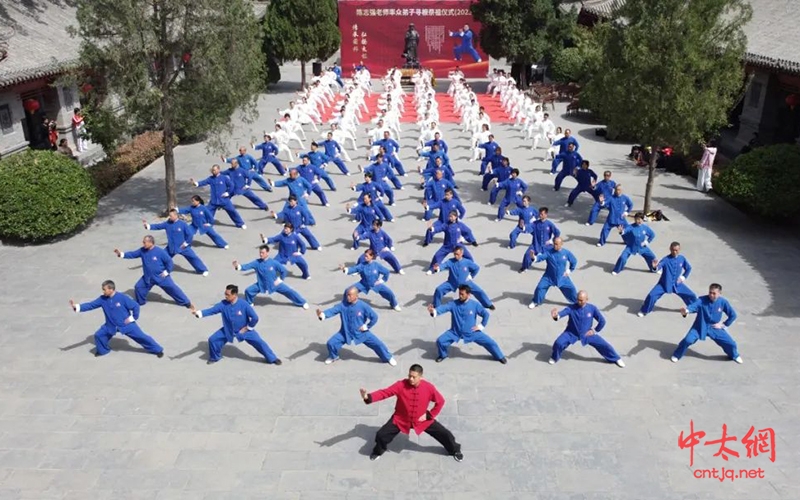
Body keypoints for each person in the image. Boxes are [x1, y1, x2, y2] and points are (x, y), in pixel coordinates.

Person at [360, 364, 463, 461]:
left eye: (414, 377)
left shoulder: (429, 387)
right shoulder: (400, 385)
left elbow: (440, 401)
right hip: (401, 419)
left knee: (445, 434)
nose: (411, 379)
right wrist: (367, 397)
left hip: (421, 420)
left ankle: (455, 450)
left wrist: (429, 415)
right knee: (381, 435)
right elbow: (385, 393)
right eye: (409, 376)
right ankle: (378, 451)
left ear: (421, 377)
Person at [69, 280, 164, 358]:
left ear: (111, 289)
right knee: (99, 335)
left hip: (126, 325)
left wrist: (132, 318)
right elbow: (91, 305)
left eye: (104, 290)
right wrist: (77, 307)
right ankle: (103, 351)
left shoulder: (122, 298)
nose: (103, 292)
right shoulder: (102, 299)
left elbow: (135, 306)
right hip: (110, 325)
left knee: (142, 337)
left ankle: (157, 350)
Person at [191, 285, 282, 365]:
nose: (225, 296)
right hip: (228, 330)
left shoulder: (244, 304)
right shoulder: (223, 304)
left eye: (228, 295)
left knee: (259, 342)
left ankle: (272, 358)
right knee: (213, 339)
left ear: (234, 295)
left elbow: (255, 318)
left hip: (244, 330)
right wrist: (198, 313)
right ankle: (215, 357)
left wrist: (247, 328)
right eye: (225, 294)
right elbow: (211, 310)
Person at [317, 287, 397, 365]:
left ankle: (388, 357)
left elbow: (374, 317)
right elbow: (332, 311)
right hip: (345, 332)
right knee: (331, 343)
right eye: (347, 295)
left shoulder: (363, 306)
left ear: (356, 296)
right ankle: (333, 356)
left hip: (361, 332)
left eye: (350, 295)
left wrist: (367, 326)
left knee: (378, 344)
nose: (348, 297)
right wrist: (323, 315)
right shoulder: (343, 305)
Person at [428, 285, 506, 363]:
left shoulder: (474, 305)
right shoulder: (453, 304)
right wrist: (433, 311)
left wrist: (481, 326)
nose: (460, 296)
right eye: (459, 293)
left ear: (468, 295)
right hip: (455, 332)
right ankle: (443, 355)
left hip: (471, 332)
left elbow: (486, 314)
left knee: (490, 343)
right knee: (440, 341)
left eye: (462, 294)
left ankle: (499, 356)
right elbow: (443, 308)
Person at [549, 290, 624, 367]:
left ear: (587, 299)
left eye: (581, 300)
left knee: (605, 345)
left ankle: (616, 358)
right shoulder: (571, 308)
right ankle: (554, 357)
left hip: (586, 333)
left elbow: (602, 321)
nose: (579, 302)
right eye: (578, 299)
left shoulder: (592, 308)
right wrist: (556, 316)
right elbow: (561, 314)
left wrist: (594, 331)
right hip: (571, 333)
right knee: (558, 343)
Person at [114, 236, 192, 308]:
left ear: (151, 242)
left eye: (144, 242)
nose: (143, 244)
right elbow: (133, 254)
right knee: (139, 287)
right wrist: (121, 254)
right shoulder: (142, 250)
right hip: (148, 277)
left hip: (161, 277)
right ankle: (141, 302)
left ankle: (185, 302)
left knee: (173, 288)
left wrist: (167, 272)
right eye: (143, 242)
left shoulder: (160, 252)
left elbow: (169, 262)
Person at [672, 283, 742, 364]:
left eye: (714, 293)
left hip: (714, 327)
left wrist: (723, 325)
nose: (711, 295)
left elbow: (733, 315)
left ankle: (734, 355)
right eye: (710, 292)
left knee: (730, 343)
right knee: (687, 340)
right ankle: (677, 355)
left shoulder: (723, 302)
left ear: (719, 293)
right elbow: (694, 306)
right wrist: (686, 311)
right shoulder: (702, 300)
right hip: (700, 326)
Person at [234, 245, 309, 308]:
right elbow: (247, 266)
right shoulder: (257, 262)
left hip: (274, 283)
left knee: (289, 291)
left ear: (267, 253)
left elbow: (283, 271)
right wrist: (238, 266)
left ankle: (302, 302)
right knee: (248, 291)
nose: (261, 254)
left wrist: (279, 279)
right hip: (261, 284)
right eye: (260, 253)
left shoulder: (273, 263)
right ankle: (249, 303)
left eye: (263, 253)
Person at [143, 209, 209, 276]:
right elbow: (158, 226)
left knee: (193, 257)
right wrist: (148, 226)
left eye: (171, 216)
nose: (170, 217)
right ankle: (157, 270)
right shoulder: (167, 224)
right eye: (169, 216)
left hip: (182, 247)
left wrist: (186, 243)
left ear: (176, 215)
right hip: (171, 247)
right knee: (162, 257)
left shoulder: (182, 224)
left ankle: (203, 270)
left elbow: (189, 235)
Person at [639, 242, 697, 317]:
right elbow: (659, 266)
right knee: (651, 295)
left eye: (676, 250)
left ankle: (693, 309)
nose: (674, 252)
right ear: (670, 249)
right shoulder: (666, 259)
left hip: (677, 284)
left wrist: (683, 277)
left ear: (679, 250)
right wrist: (655, 267)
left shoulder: (682, 259)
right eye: (673, 250)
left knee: (691, 295)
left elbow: (688, 268)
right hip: (664, 284)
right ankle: (644, 310)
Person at [431, 246, 495, 309]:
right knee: (439, 289)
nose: (456, 256)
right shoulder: (450, 261)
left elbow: (476, 268)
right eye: (455, 254)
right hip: (452, 282)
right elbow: (444, 265)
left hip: (465, 283)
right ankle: (436, 305)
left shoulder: (467, 262)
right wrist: (438, 268)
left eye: (457, 254)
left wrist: (471, 276)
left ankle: (488, 304)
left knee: (479, 291)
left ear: (461, 253)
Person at [528, 237, 577, 308]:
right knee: (540, 287)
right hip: (549, 276)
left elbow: (574, 261)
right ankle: (536, 301)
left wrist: (569, 270)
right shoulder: (549, 252)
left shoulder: (566, 253)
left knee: (571, 289)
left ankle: (576, 302)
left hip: (562, 277)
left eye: (557, 244)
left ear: (561, 244)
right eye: (554, 244)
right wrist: (533, 257)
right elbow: (540, 257)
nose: (555, 246)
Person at [520, 207, 560, 272]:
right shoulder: (535, 223)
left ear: (546, 214)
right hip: (536, 244)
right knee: (527, 254)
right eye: (539, 214)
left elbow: (557, 232)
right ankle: (525, 267)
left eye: (542, 214)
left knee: (553, 257)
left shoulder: (549, 224)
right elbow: (529, 226)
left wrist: (551, 241)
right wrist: (523, 227)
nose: (540, 215)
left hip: (546, 246)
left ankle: (555, 270)